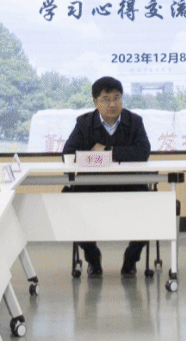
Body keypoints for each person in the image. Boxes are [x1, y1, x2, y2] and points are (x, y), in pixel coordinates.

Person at [61, 76, 153, 277]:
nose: (112, 104)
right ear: (95, 102)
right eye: (106, 99)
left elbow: (143, 152)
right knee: (73, 206)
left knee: (149, 209)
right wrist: (94, 156)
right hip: (92, 186)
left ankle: (131, 258)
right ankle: (93, 258)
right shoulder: (84, 123)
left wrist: (108, 151)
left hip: (129, 185)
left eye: (117, 98)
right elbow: (67, 153)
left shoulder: (135, 121)